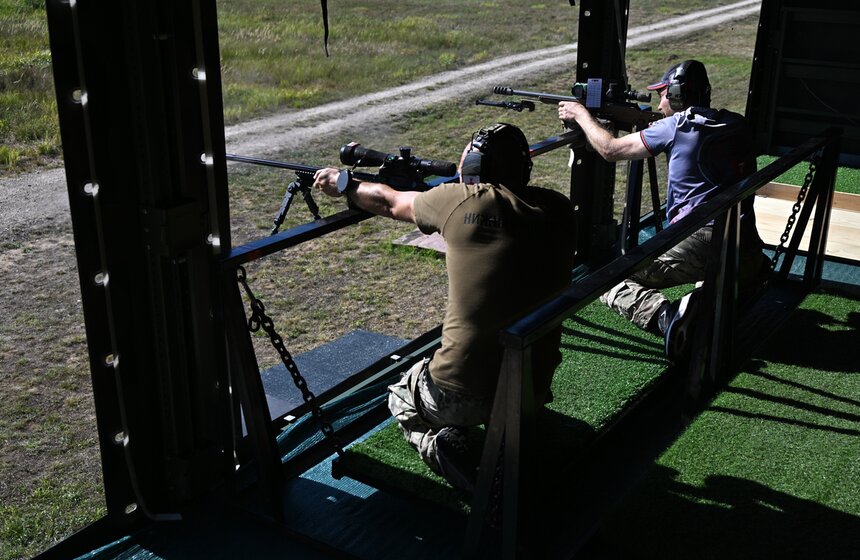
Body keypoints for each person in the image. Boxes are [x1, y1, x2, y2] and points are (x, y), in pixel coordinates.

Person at [313, 123, 576, 491]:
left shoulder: (460, 200)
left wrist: (344, 184)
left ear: (475, 165)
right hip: (530, 389)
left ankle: (442, 451)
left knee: (401, 395)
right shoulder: (559, 208)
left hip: (459, 393)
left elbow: (389, 201)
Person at [558, 59, 770, 359]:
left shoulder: (677, 126)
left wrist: (580, 115)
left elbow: (609, 149)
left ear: (677, 95)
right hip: (743, 242)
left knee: (609, 278)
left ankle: (666, 318)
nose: (660, 101)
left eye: (664, 94)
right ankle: (714, 294)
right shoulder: (736, 123)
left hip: (703, 241)